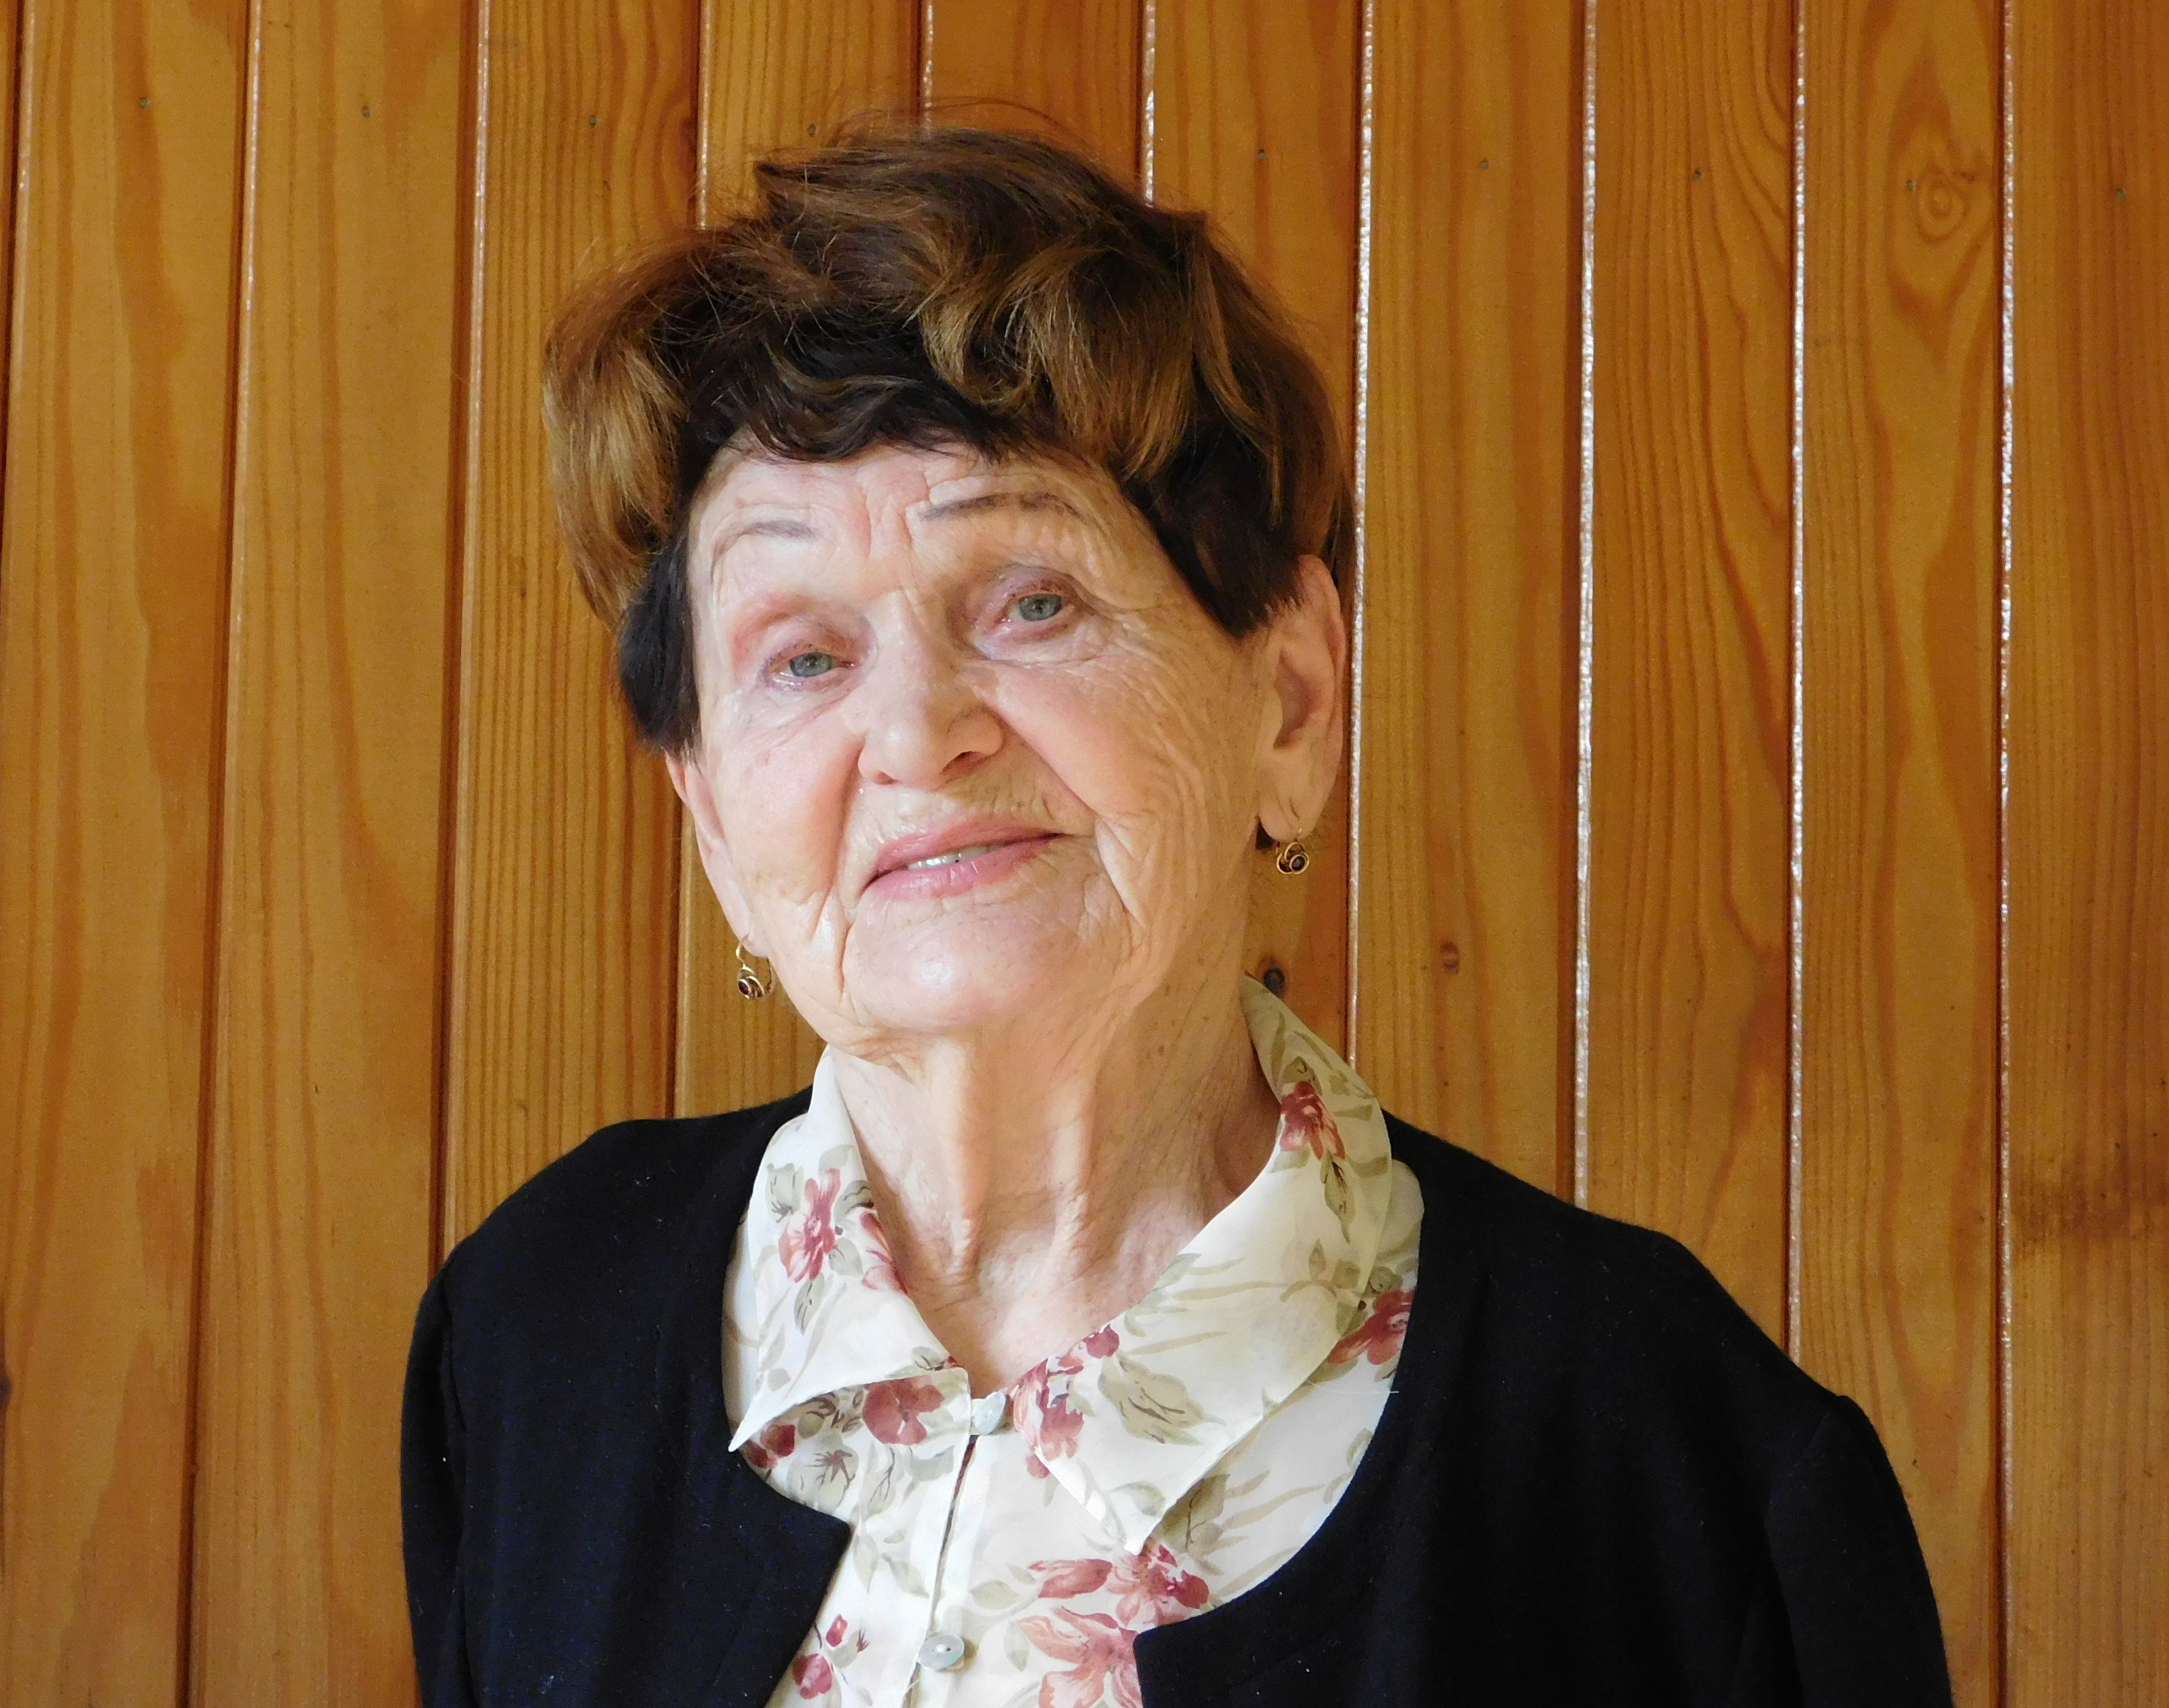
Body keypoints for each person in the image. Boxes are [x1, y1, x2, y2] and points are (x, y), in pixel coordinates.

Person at [401, 126, 1951, 1708]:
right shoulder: (532, 1329)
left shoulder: (1682, 1470)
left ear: (1288, 697)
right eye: (802, 657)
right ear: (712, 808)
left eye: (1032, 602)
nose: (916, 734)